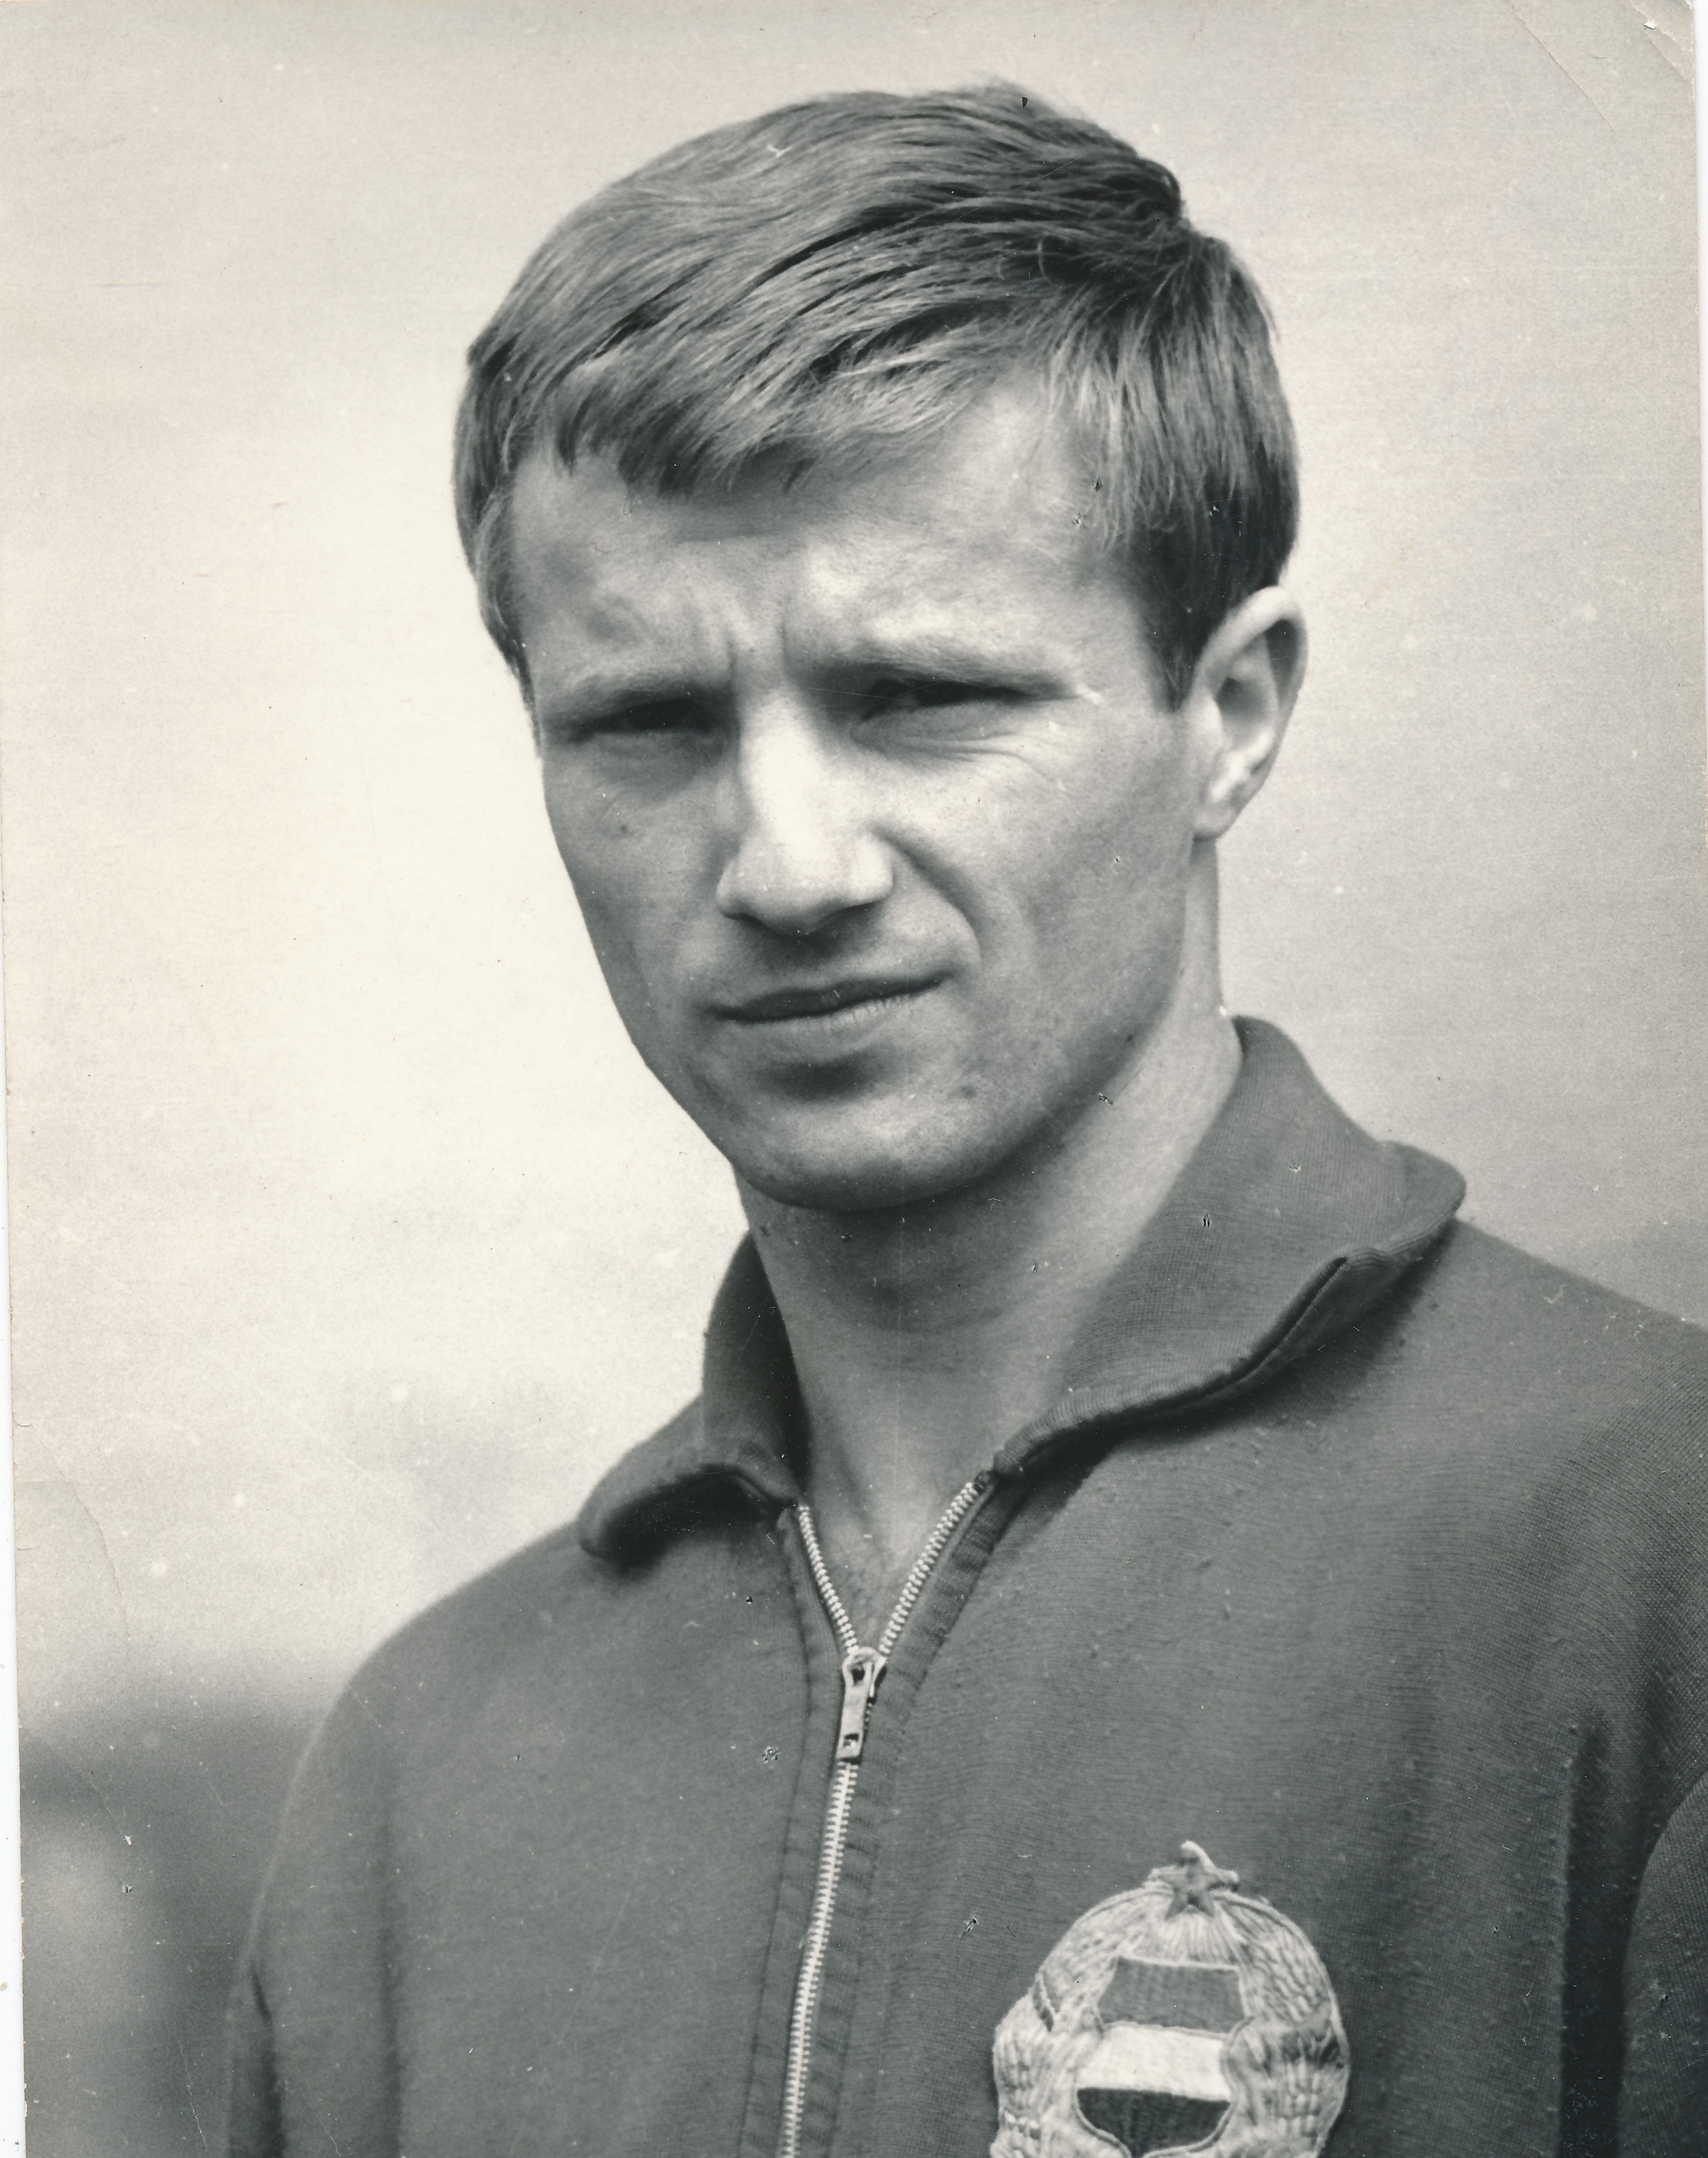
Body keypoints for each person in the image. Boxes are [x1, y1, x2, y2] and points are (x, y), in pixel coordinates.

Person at [224, 88, 1708, 2158]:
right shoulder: (418, 1772)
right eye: (646, 723)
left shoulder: (1652, 1558)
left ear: (1229, 713)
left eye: (916, 698)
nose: (788, 863)